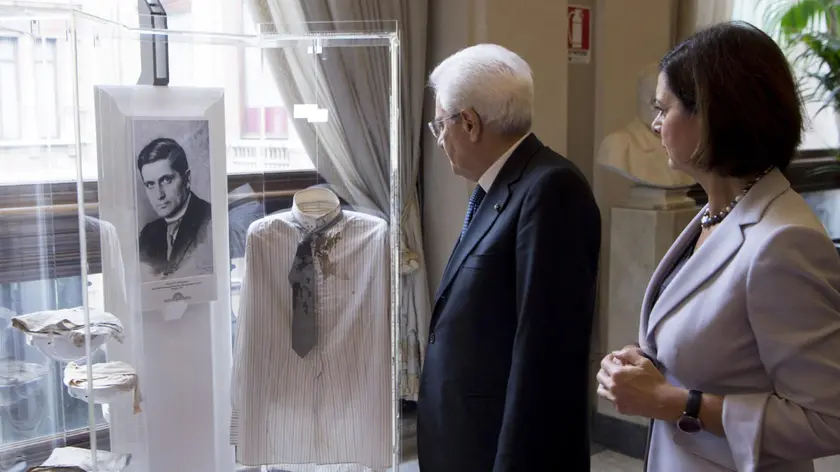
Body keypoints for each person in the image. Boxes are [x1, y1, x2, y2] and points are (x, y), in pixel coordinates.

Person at [596, 21, 840, 472]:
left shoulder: (785, 241)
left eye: (663, 109)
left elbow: (828, 420)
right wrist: (647, 361)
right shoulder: (719, 211)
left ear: (711, 116)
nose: (655, 124)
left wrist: (675, 402)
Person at [417, 43, 601, 471]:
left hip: (500, 450)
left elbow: (544, 355)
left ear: (470, 123)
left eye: (440, 124)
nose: (439, 138)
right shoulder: (498, 187)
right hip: (467, 441)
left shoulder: (551, 189)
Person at [137, 137, 212, 280]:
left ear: (187, 179)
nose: (159, 195)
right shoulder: (148, 234)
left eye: (166, 180)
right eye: (150, 185)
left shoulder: (210, 222)